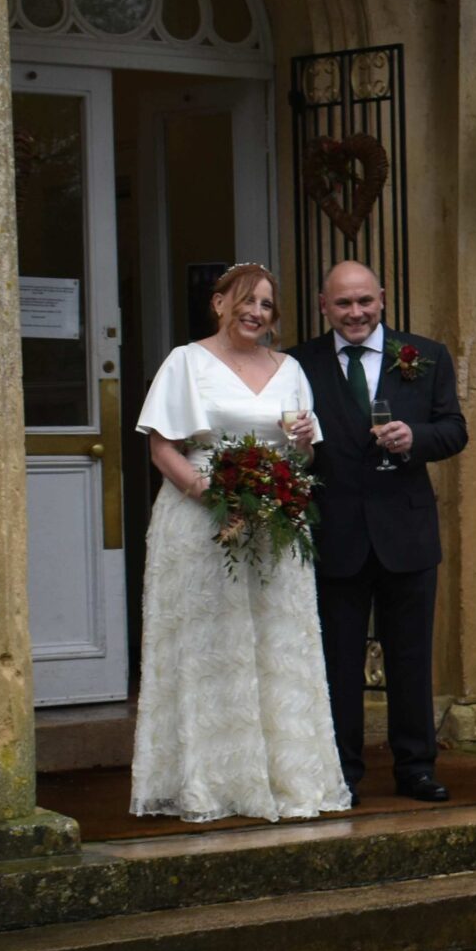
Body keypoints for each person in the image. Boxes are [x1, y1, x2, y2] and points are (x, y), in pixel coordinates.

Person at [129, 263, 353, 822]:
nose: (256, 312)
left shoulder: (291, 368)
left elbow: (302, 456)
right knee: (212, 646)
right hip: (201, 521)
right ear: (219, 302)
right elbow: (162, 447)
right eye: (246, 301)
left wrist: (301, 445)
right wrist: (209, 492)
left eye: (267, 305)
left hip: (275, 524)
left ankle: (286, 779)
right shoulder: (186, 362)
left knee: (279, 644)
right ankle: (212, 783)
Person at [293, 261, 468, 801]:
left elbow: (454, 430)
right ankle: (342, 771)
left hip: (406, 532)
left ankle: (416, 767)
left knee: (410, 657)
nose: (356, 313)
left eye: (365, 301)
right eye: (343, 303)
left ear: (384, 299)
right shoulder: (298, 363)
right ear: (324, 306)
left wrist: (413, 436)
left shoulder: (427, 355)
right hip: (335, 532)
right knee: (338, 661)